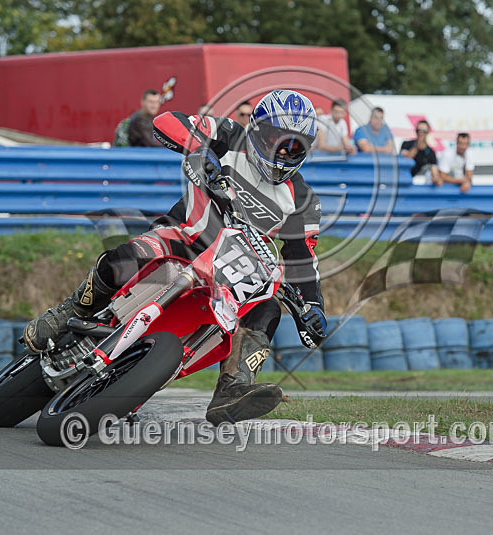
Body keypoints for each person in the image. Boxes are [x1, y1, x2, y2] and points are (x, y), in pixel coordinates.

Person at [23, 90, 327, 425]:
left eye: (295, 145)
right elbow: (166, 122)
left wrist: (313, 307)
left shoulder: (304, 200)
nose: (284, 151)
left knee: (268, 307)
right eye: (276, 138)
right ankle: (70, 310)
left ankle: (234, 387)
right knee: (127, 257)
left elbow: (303, 261)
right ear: (256, 130)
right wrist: (201, 151)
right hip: (181, 237)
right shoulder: (228, 134)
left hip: (230, 275)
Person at [400, 120, 439, 185]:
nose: (421, 133)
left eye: (424, 131)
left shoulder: (431, 152)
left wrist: (435, 178)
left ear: (428, 132)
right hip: (406, 181)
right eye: (418, 130)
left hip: (422, 184)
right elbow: (406, 159)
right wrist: (417, 146)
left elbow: (434, 170)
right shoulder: (406, 144)